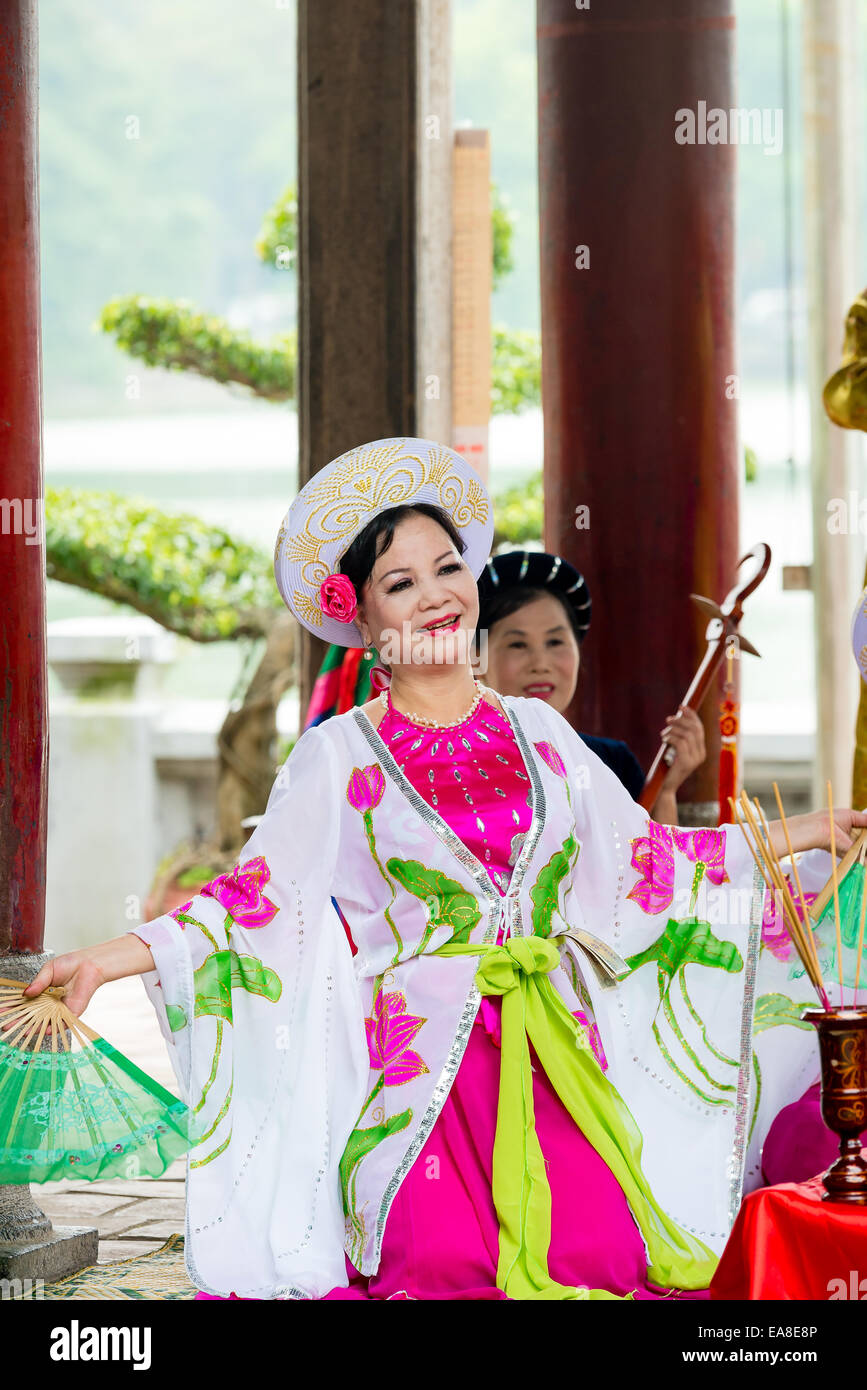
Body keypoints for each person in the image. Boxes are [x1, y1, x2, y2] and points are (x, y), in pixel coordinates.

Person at [20, 436, 867, 1301]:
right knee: (443, 1270)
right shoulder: (337, 756)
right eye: (400, 583)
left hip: (556, 1051)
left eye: (448, 568)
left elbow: (647, 860)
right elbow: (250, 902)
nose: (434, 595)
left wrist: (804, 831)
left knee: (602, 1258)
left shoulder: (538, 732)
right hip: (421, 1072)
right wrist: (105, 959)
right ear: (363, 621)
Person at [475, 549, 705, 824]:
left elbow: (653, 852)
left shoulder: (612, 762)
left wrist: (665, 791)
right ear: (475, 658)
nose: (540, 664)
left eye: (555, 642)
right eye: (517, 644)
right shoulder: (458, 763)